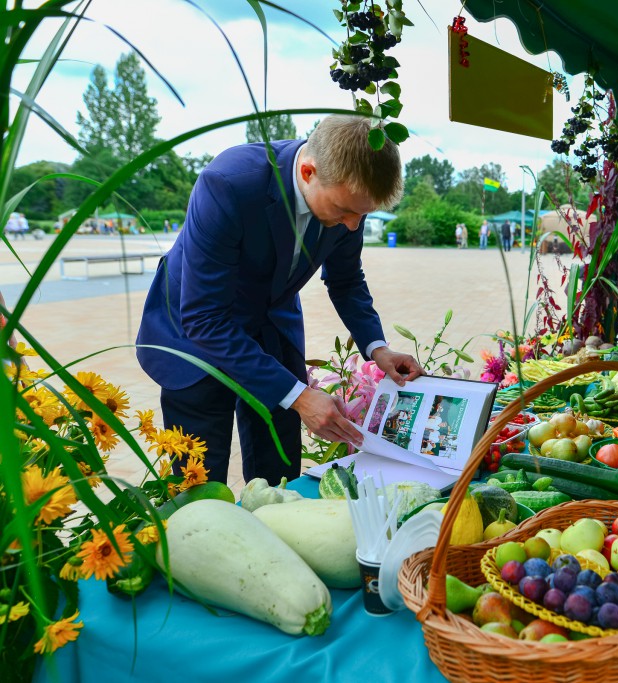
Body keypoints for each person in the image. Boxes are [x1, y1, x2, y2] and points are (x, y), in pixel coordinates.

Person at [136, 115, 422, 485]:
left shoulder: (350, 195)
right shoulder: (227, 184)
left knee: (279, 472)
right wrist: (300, 396)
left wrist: (378, 348)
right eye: (344, 213)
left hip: (271, 327)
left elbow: (347, 280)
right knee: (199, 484)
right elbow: (205, 318)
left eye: (362, 216)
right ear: (307, 172)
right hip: (193, 337)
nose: (353, 226)